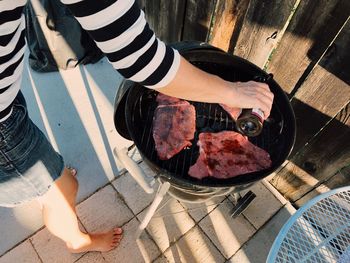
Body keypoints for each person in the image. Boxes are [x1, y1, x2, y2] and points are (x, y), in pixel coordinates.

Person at [0, 0, 274, 253]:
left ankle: (45, 179)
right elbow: (141, 59)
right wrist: (231, 92)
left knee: (51, 175)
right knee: (63, 190)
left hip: (7, 104)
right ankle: (77, 240)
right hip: (3, 127)